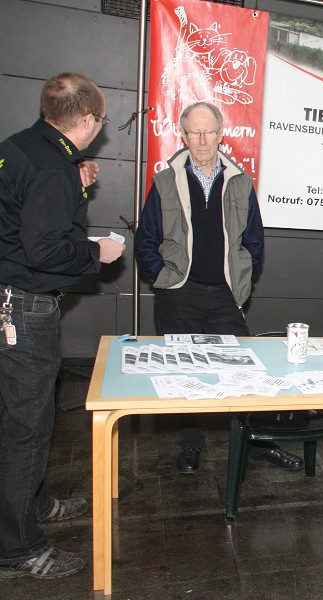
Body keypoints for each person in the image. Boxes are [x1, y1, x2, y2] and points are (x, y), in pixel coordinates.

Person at [0, 72, 126, 578]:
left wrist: (76, 180)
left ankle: (33, 503)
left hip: (9, 296)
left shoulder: (22, 146)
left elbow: (24, 213)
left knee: (20, 414)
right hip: (25, 307)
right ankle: (18, 547)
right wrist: (100, 251)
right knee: (28, 427)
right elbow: (46, 249)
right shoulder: (54, 168)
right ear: (90, 119)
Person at [135, 102, 302, 474]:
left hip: (225, 295)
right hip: (180, 294)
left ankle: (257, 443)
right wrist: (164, 278)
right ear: (183, 135)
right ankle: (191, 445)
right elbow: (145, 240)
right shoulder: (165, 182)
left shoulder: (240, 181)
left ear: (221, 133)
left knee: (244, 371)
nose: (203, 139)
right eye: (195, 132)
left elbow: (254, 241)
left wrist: (241, 279)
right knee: (185, 374)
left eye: (209, 131)